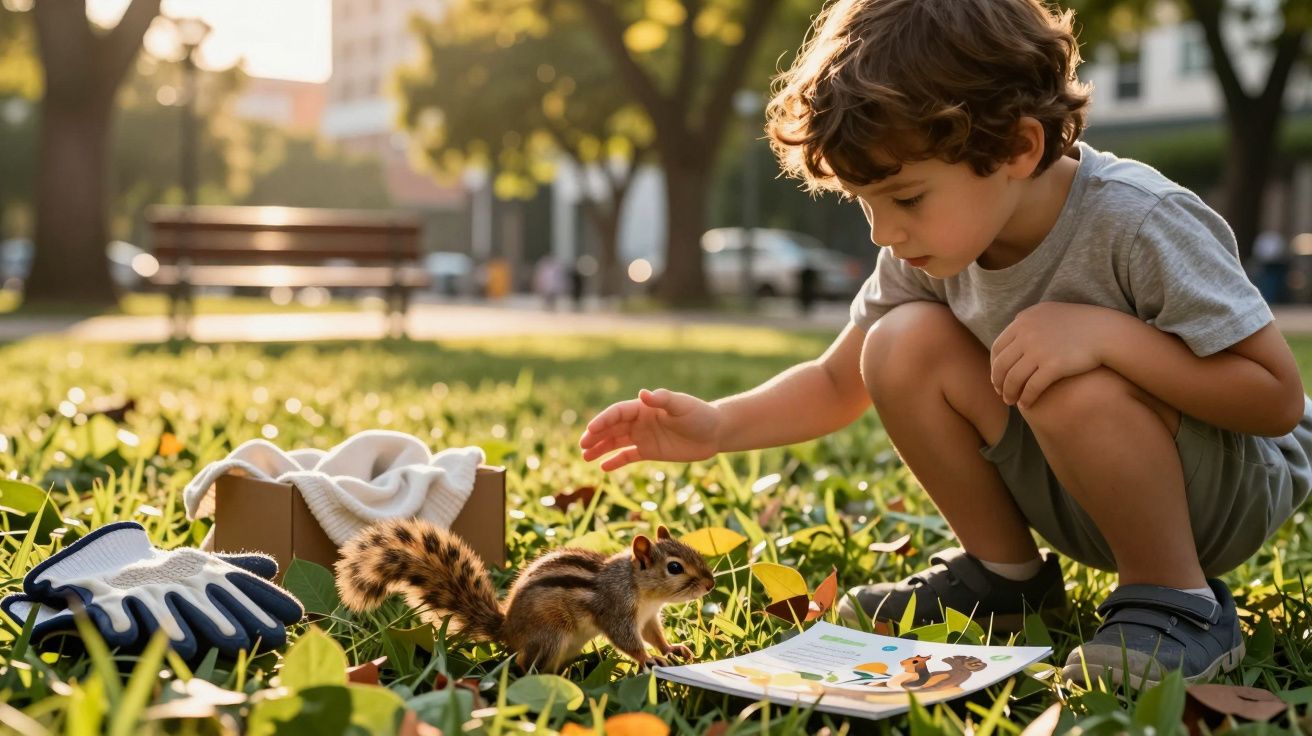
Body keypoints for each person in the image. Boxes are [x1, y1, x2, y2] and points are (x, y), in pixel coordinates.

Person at [577, 0, 1312, 687]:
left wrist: (1108, 339)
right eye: (864, 203)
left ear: (1018, 148)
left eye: (905, 198)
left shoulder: (1139, 221)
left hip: (1223, 491)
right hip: (1077, 485)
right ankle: (1004, 582)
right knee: (897, 343)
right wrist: (717, 426)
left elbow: (1275, 399)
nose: (882, 233)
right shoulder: (928, 250)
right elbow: (839, 383)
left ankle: (1180, 604)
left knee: (1064, 369)